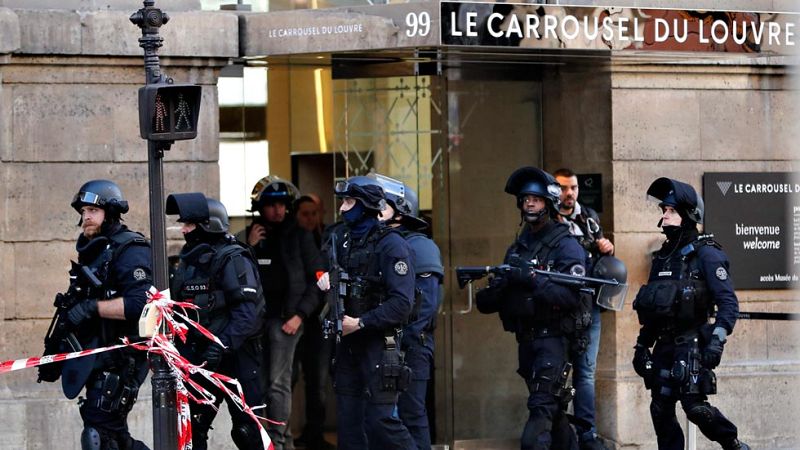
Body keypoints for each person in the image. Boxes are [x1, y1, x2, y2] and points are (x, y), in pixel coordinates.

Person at [631, 178, 750, 450]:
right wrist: (641, 345)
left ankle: (732, 443)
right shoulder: (663, 257)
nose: (664, 215)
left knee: (695, 408)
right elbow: (654, 308)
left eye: (671, 211)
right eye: (664, 210)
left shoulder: (707, 254)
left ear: (688, 214)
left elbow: (728, 304)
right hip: (663, 344)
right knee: (660, 408)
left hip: (691, 342)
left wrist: (718, 339)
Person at [475, 167, 587, 450]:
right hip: (526, 342)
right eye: (525, 199)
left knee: (539, 417)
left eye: (535, 199)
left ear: (548, 202)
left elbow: (571, 297)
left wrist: (533, 279)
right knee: (555, 415)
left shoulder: (566, 245)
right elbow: (496, 296)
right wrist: (494, 290)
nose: (529, 204)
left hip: (554, 342)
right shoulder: (519, 246)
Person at [39, 179, 152, 450]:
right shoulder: (96, 252)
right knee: (112, 437)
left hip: (123, 359)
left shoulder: (130, 249)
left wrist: (92, 308)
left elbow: (140, 303)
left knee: (100, 436)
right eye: (83, 212)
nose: (85, 217)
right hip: (98, 357)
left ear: (110, 213)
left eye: (92, 211)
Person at [316, 175, 416, 450]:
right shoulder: (344, 242)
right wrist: (328, 280)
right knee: (349, 427)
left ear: (365, 206)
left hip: (379, 345)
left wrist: (361, 322)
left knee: (381, 422)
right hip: (348, 346)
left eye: (349, 202)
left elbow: (402, 303)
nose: (342, 209)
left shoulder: (391, 244)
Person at [166, 192, 266, 450]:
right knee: (191, 431)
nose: (184, 229)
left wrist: (221, 344)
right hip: (202, 359)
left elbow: (248, 315)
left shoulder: (234, 258)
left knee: (248, 433)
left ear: (207, 226)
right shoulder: (188, 261)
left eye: (189, 224)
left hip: (238, 358)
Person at [237, 176, 323, 450]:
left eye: (282, 205)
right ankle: (267, 439)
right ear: (260, 207)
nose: (277, 210)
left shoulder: (300, 236)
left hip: (287, 321)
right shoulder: (247, 236)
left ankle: (278, 440)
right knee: (258, 384)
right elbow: (236, 276)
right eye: (271, 205)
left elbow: (319, 281)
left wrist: (299, 315)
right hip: (255, 324)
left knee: (278, 383)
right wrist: (248, 246)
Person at [374, 174, 444, 450]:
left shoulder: (420, 246)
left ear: (400, 212)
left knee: (411, 413)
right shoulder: (381, 244)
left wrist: (401, 342)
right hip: (383, 344)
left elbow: (425, 307)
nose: (375, 212)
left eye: (382, 206)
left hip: (412, 345)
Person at [553, 168, 614, 450]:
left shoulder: (588, 218)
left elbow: (603, 262)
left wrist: (607, 248)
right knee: (556, 373)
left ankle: (587, 434)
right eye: (563, 188)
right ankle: (560, 434)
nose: (569, 193)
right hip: (558, 307)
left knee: (585, 373)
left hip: (589, 307)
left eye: (573, 188)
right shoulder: (546, 220)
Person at [291, 194, 336, 450]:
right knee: (290, 377)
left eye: (313, 213)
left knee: (318, 381)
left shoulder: (328, 240)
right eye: (304, 214)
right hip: (297, 317)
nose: (310, 218)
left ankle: (314, 432)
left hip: (322, 321)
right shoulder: (294, 240)